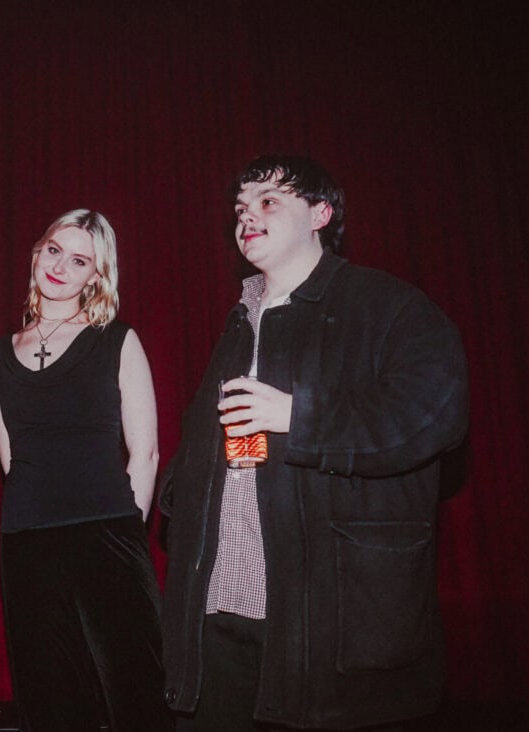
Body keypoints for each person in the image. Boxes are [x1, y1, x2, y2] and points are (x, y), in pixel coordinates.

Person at [160, 155, 469, 730]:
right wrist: (179, 495)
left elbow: (434, 413)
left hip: (327, 623)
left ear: (321, 214)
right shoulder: (240, 321)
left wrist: (297, 417)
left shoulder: (389, 307)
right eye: (240, 209)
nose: (248, 217)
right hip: (221, 605)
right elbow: (211, 437)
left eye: (269, 202)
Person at [0, 209, 171, 730]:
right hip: (26, 541)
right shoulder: (0, 354)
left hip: (107, 532)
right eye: (53, 251)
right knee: (50, 700)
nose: (61, 266)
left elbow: (147, 452)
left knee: (135, 691)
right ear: (36, 252)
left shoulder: (116, 339)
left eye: (79, 260)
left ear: (96, 275)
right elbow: (9, 457)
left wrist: (125, 534)